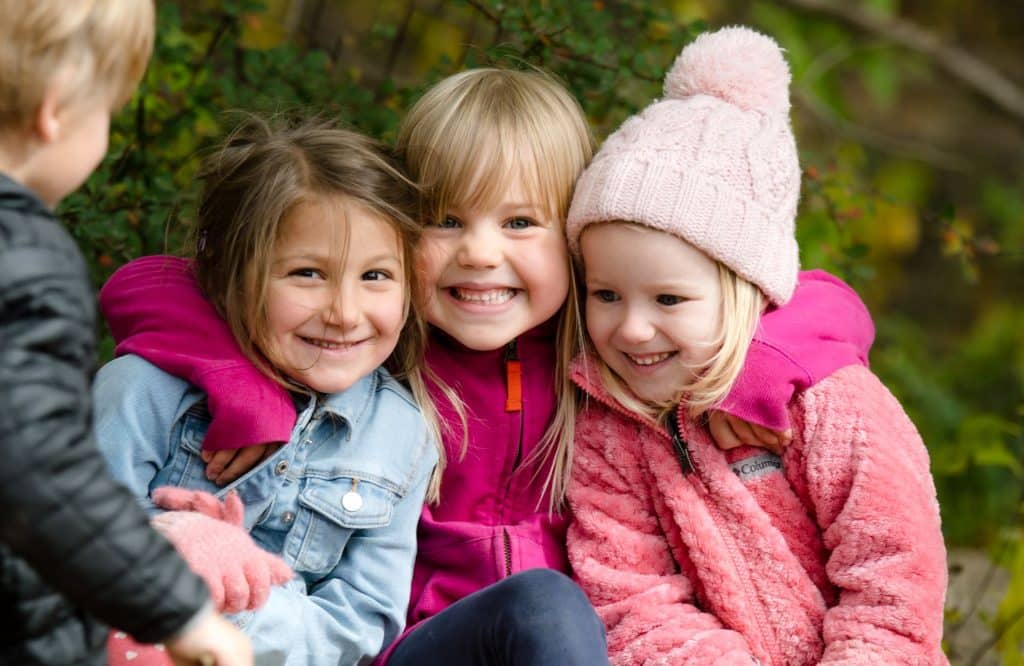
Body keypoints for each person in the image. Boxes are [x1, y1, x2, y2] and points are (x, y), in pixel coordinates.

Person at [98, 68, 874, 665]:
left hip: (576, 643)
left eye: (520, 222)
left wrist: (756, 368)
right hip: (412, 648)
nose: (479, 252)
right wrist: (247, 390)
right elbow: (153, 284)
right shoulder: (378, 343)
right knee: (542, 604)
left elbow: (824, 302)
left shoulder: (608, 349)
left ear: (574, 236)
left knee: (551, 607)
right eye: (445, 219)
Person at [564, 26, 948, 665]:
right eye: (605, 295)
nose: (631, 329)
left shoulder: (828, 405)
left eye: (668, 300)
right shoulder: (607, 425)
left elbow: (894, 579)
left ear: (746, 288)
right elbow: (631, 601)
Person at [91, 116, 440, 666]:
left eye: (375, 276)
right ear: (233, 274)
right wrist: (179, 553)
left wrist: (234, 611)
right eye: (307, 273)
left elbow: (362, 619)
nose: (344, 313)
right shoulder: (144, 390)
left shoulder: (402, 434)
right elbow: (72, 531)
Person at [0, 0, 252, 664]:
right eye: (108, 111)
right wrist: (179, 611)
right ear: (55, 111)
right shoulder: (22, 256)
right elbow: (39, 467)